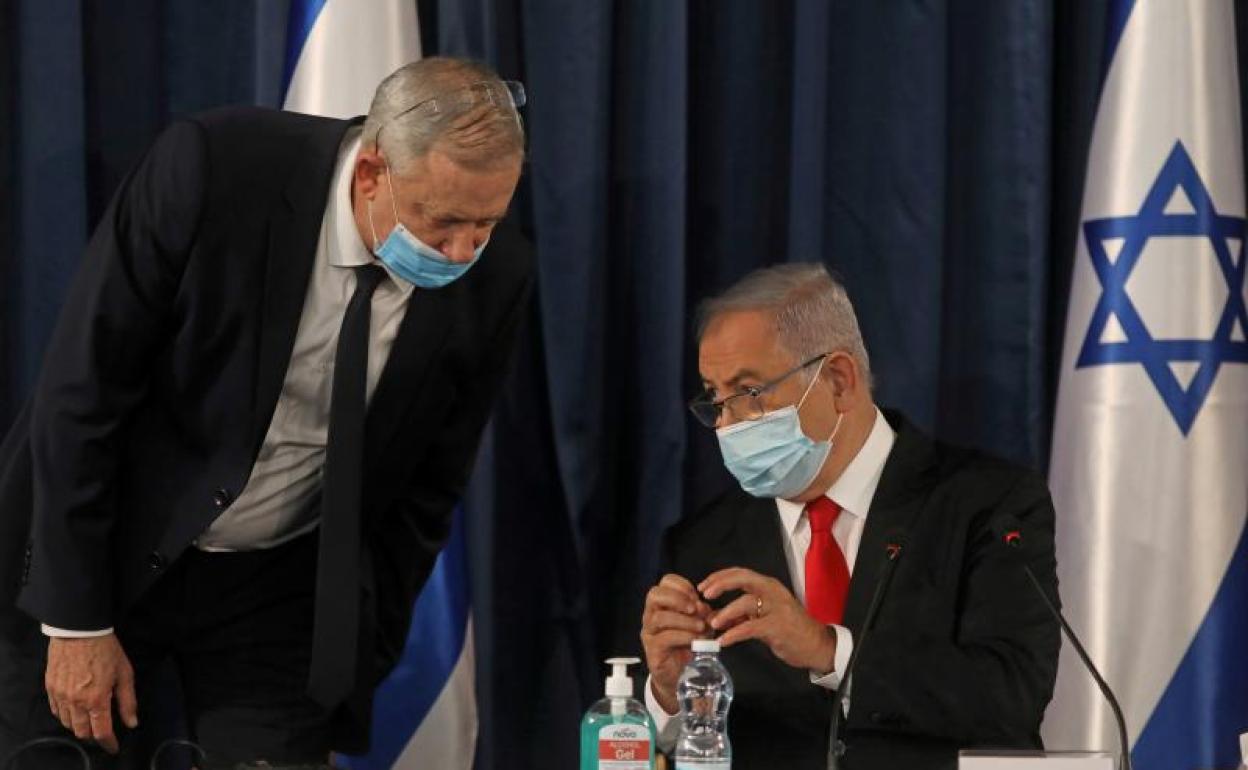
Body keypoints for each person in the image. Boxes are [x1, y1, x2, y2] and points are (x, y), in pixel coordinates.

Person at [0, 57, 533, 769]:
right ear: (371, 173)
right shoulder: (216, 171)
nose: (463, 251)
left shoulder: (498, 277)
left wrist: (356, 646)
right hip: (108, 546)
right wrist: (74, 621)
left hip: (276, 590)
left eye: (487, 223)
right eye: (444, 222)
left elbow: (430, 486)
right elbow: (82, 394)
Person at [639, 263, 1060, 770]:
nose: (726, 424)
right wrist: (669, 695)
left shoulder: (989, 505)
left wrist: (828, 650)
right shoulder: (701, 543)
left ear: (839, 381)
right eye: (715, 397)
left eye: (748, 394)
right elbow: (686, 746)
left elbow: (1013, 695)